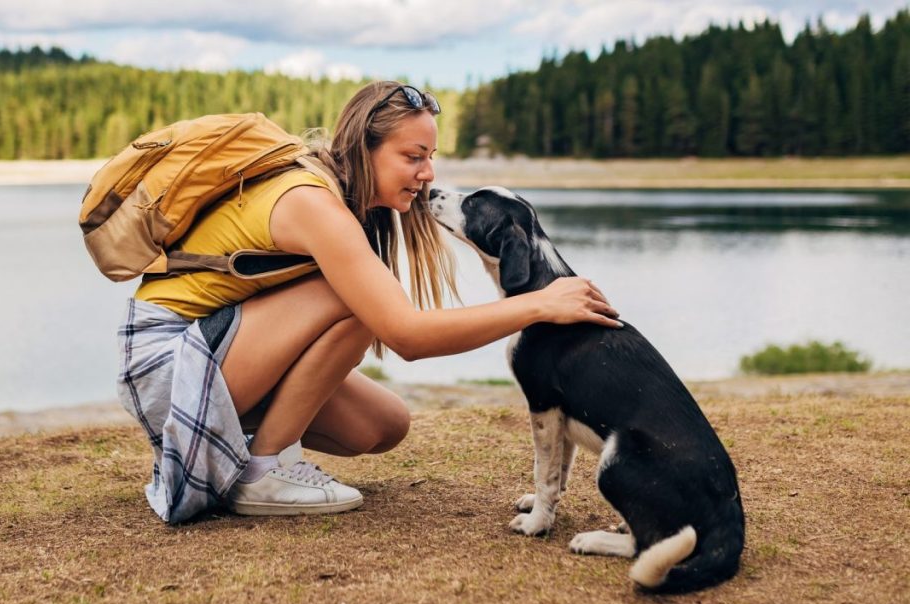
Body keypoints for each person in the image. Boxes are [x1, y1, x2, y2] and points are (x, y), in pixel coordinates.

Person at [116, 80, 621, 524]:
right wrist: (538, 305)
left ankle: (236, 457)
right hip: (166, 361)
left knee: (383, 426)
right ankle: (263, 471)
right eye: (413, 156)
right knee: (358, 304)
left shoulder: (342, 200)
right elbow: (406, 335)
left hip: (217, 352)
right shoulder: (313, 202)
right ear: (364, 149)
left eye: (431, 157)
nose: (427, 174)